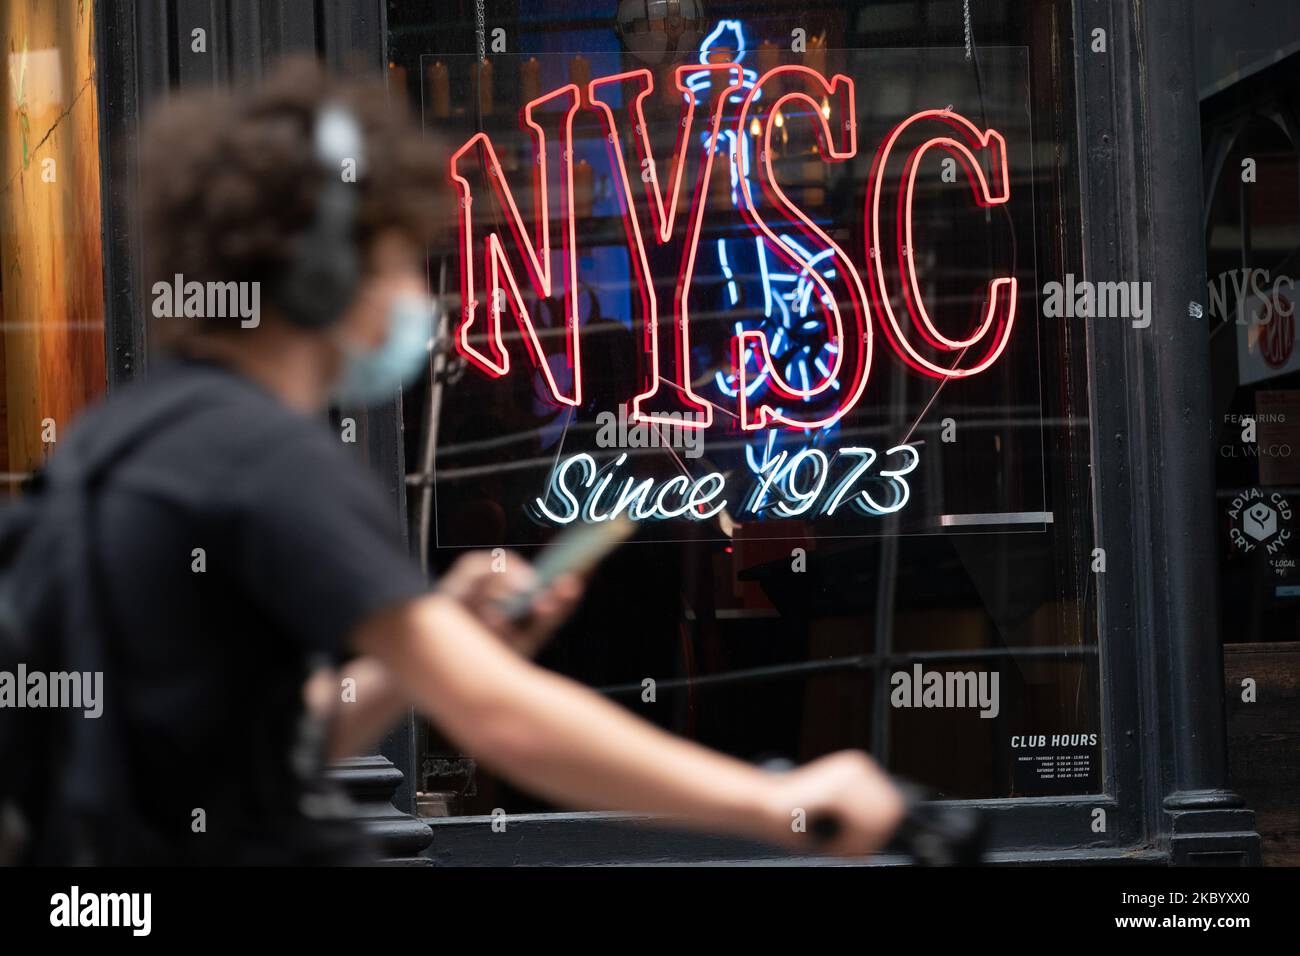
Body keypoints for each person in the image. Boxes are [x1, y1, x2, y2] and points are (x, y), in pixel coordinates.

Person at [36, 57, 904, 864]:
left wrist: (433, 638)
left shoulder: (132, 434)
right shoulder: (269, 458)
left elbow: (262, 741)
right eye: (404, 261)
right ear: (327, 269)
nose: (427, 297)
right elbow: (502, 720)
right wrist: (782, 803)